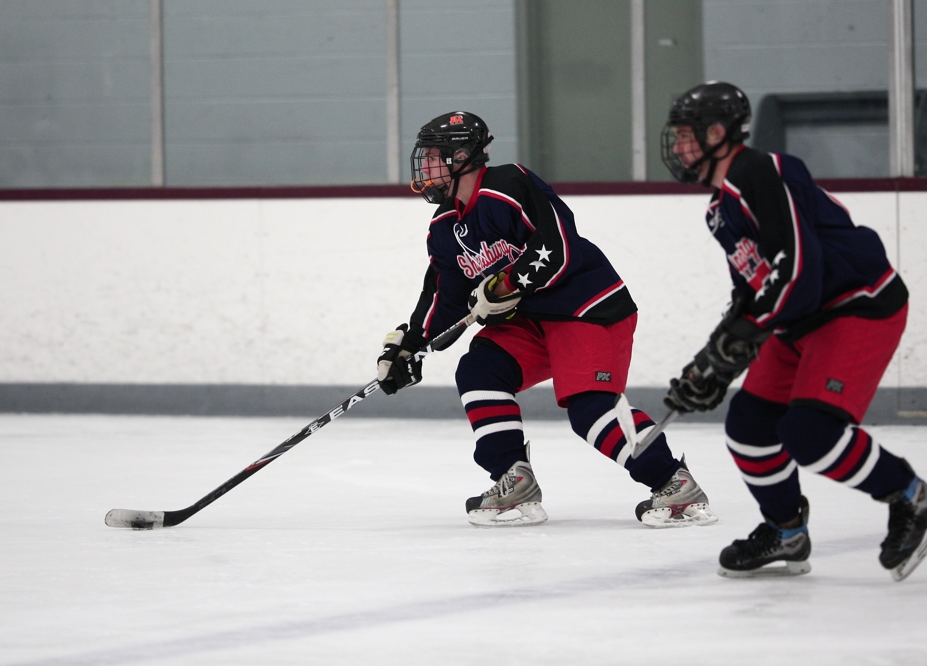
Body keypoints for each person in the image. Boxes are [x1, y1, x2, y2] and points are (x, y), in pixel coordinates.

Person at [375, 110, 717, 529]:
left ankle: (672, 482)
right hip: (532, 321)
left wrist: (507, 284)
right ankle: (513, 479)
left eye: (432, 156)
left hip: (585, 306)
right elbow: (445, 295)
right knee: (480, 368)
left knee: (590, 411)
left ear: (461, 155)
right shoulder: (445, 225)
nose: (424, 166)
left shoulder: (508, 185)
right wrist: (411, 346)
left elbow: (557, 245)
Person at [660, 81, 927, 581]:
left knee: (810, 433)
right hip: (799, 316)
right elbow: (753, 291)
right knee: (749, 426)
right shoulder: (720, 210)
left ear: (718, 133)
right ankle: (786, 531)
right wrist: (712, 362)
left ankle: (910, 494)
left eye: (686, 135)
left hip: (857, 304)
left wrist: (736, 345)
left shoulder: (763, 171)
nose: (678, 147)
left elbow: (797, 271)